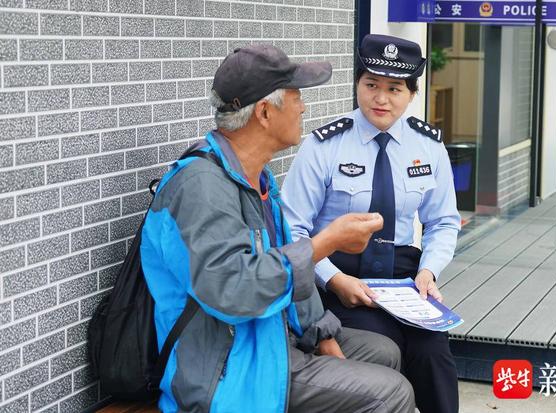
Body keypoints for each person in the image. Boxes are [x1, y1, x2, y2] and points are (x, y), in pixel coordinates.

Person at [139, 44, 415, 413]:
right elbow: (232, 290)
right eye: (296, 96)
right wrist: (324, 244)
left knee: (383, 351)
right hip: (226, 367)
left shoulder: (257, 176)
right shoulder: (201, 187)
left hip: (270, 338)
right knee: (390, 392)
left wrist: (320, 333)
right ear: (266, 113)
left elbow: (285, 267)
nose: (303, 107)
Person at [282, 34, 462, 413]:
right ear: (358, 84)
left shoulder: (428, 146)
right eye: (371, 85)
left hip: (405, 279)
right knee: (384, 348)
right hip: (341, 275)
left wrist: (429, 272)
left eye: (394, 88)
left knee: (434, 356)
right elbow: (292, 229)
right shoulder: (324, 145)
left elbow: (443, 221)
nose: (381, 99)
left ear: (411, 93)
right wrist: (333, 279)